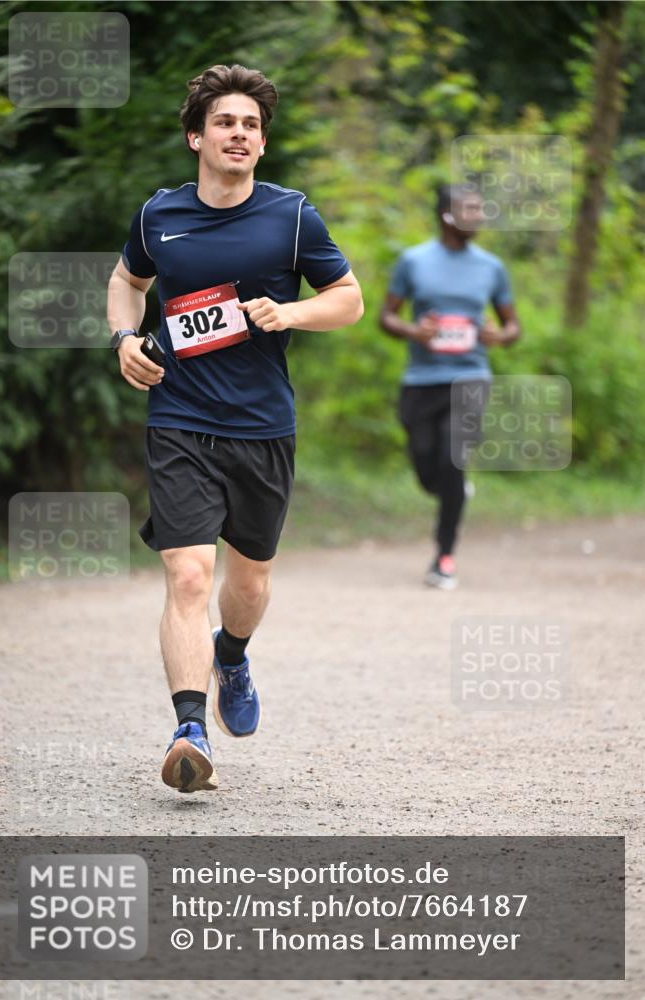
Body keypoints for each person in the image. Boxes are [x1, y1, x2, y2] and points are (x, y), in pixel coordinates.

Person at [106, 65, 363, 793]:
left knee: (247, 584)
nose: (240, 134)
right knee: (189, 574)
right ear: (197, 137)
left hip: (261, 426)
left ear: (261, 142)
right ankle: (189, 729)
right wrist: (124, 340)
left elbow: (348, 300)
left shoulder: (290, 218)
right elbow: (128, 281)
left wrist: (292, 314)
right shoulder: (160, 215)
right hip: (180, 417)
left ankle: (234, 655)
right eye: (225, 123)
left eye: (251, 125)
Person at [379, 184, 521, 590]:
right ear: (446, 215)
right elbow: (387, 318)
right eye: (470, 209)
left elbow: (513, 326)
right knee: (429, 470)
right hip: (421, 381)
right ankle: (452, 488)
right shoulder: (414, 261)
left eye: (480, 209)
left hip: (471, 377)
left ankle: (444, 555)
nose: (478, 216)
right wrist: (414, 330)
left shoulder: (491, 267)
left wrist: (500, 336)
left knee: (453, 458)